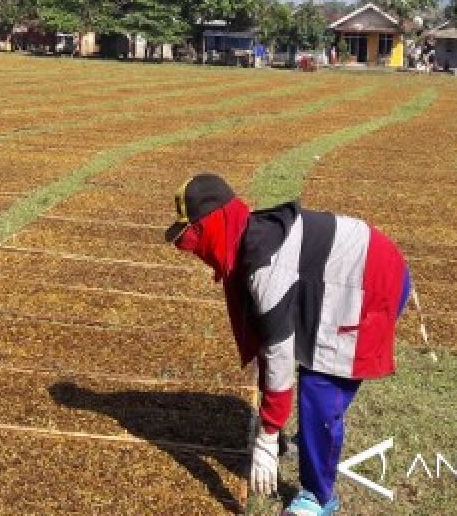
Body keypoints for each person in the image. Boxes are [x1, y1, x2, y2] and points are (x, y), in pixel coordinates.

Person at [165, 174, 411, 516]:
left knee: (320, 388)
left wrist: (266, 437)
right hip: (345, 278)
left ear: (214, 225)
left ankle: (319, 496)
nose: (193, 251)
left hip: (372, 280)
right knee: (313, 375)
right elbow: (269, 340)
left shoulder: (263, 265)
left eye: (195, 236)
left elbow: (277, 353)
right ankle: (308, 446)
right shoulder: (246, 239)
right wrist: (273, 423)